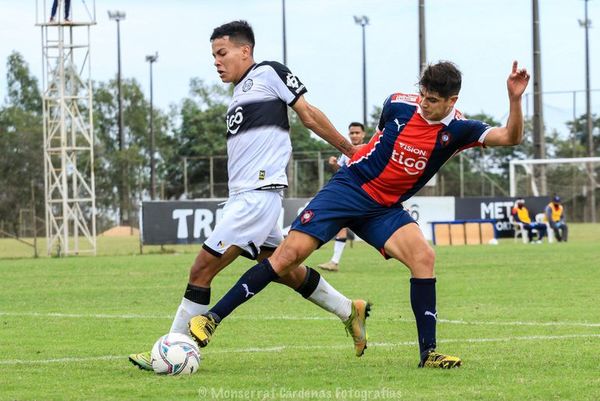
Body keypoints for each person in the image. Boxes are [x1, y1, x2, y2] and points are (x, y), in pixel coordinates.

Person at [189, 60, 531, 369]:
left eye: (432, 100)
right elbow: (380, 138)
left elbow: (511, 137)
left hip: (383, 208)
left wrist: (514, 100)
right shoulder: (397, 103)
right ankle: (212, 319)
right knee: (286, 258)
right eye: (422, 95)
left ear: (451, 101)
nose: (423, 104)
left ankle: (428, 354)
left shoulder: (460, 130)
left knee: (424, 257)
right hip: (349, 188)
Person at [128, 20, 369, 370]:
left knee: (201, 270)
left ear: (246, 51)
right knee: (286, 269)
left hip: (257, 197)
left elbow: (308, 114)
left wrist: (350, 148)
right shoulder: (239, 93)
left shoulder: (269, 73)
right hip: (245, 198)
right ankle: (350, 310)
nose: (216, 61)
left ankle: (167, 352)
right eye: (213, 55)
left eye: (222, 53)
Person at [318, 122, 366, 272]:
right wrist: (334, 164)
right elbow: (341, 171)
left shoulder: (368, 149)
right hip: (349, 194)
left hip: (364, 194)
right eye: (352, 133)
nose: (354, 135)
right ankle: (334, 261)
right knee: (341, 225)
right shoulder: (345, 151)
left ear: (363, 134)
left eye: (357, 133)